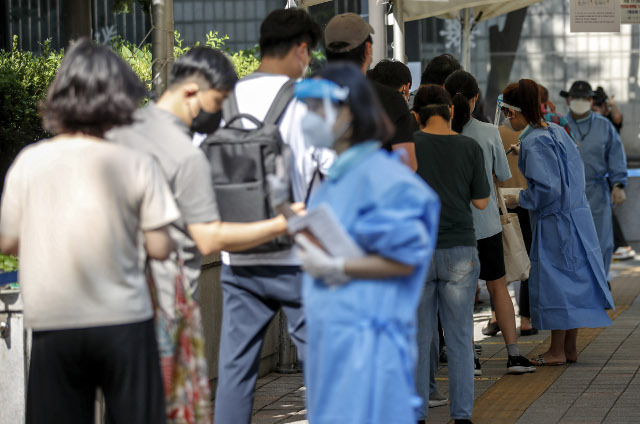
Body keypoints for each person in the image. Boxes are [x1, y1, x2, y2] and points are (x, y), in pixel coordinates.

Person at [0, 39, 180, 423]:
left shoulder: (28, 162)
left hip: (53, 323)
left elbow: (8, 241)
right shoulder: (136, 162)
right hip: (124, 320)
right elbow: (162, 246)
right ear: (120, 99)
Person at [293, 63, 440, 424]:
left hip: (370, 350)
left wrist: (337, 266)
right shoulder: (336, 179)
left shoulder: (384, 178)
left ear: (350, 112)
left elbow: (405, 257)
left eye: (319, 109)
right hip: (335, 343)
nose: (310, 118)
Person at [201, 10, 325, 424]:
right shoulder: (307, 104)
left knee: (236, 371)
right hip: (297, 258)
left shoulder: (221, 101)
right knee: (321, 368)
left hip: (239, 258)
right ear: (301, 49)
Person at [503, 79, 614, 366]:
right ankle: (570, 348)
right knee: (575, 281)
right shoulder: (554, 130)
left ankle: (555, 351)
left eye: (507, 112)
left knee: (556, 285)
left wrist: (519, 198)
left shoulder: (533, 141)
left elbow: (547, 190)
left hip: (555, 224)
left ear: (513, 112)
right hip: (577, 218)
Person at [445, 70, 535, 374]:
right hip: (487, 224)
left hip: (453, 228)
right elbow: (502, 175)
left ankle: (469, 358)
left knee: (461, 295)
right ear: (474, 99)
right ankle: (513, 356)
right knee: (498, 287)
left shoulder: (438, 132)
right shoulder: (488, 131)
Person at [414, 84, 490, 424]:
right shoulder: (469, 146)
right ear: (451, 111)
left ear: (416, 115)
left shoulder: (408, 146)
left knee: (418, 337)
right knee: (460, 338)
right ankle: (461, 417)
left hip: (417, 251)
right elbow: (481, 202)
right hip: (459, 249)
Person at [324, 13, 417, 171]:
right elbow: (407, 165)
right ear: (368, 50)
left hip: (322, 194)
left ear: (327, 52)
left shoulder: (307, 98)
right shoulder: (391, 100)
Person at [561, 81, 627, 280]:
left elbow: (616, 155)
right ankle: (576, 286)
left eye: (585, 98)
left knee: (601, 242)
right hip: (567, 192)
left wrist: (618, 184)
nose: (580, 102)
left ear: (591, 100)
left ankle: (601, 283)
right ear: (568, 100)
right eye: (576, 98)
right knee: (571, 241)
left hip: (597, 192)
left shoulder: (604, 125)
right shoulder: (558, 126)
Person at [498, 122, 537, 337]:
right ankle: (526, 319)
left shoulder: (495, 132)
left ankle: (496, 316)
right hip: (526, 201)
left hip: (500, 202)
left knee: (500, 261)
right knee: (528, 258)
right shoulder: (536, 133)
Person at [592, 86, 635, 261]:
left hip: (608, 174)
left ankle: (620, 245)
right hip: (602, 173)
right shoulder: (594, 124)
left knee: (607, 211)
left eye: (596, 106)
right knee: (606, 211)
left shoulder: (607, 121)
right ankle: (618, 244)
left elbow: (618, 117)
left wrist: (612, 105)